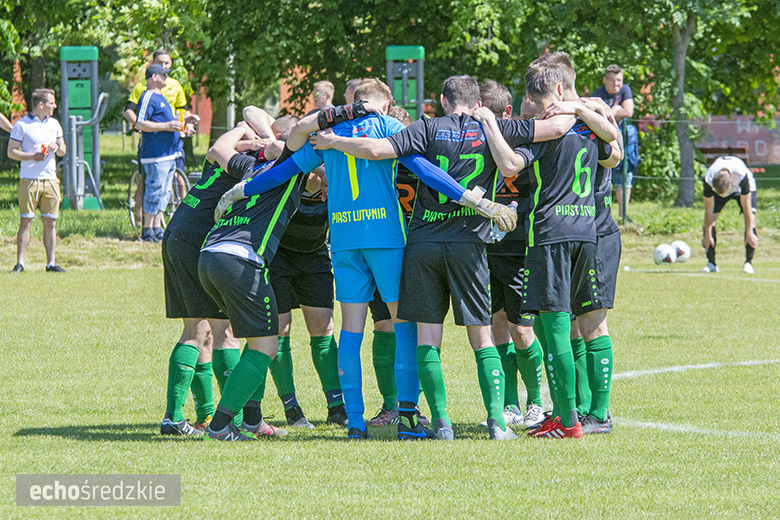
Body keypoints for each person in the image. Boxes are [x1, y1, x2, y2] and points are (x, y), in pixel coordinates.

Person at [312, 75, 572, 441]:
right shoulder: (500, 126)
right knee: (482, 337)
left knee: (427, 338)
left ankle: (441, 423)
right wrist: (576, 107)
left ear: (442, 99)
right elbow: (558, 126)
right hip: (469, 243)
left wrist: (334, 140)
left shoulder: (426, 127)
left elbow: (374, 150)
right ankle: (497, 423)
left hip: (423, 244)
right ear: (477, 102)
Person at [478, 53, 621, 439]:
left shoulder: (543, 130)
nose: (541, 113)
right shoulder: (591, 130)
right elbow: (615, 148)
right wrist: (585, 109)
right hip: (587, 233)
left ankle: (568, 418)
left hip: (549, 235)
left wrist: (491, 125)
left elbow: (509, 165)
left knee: (554, 325)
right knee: (582, 324)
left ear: (555, 92)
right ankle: (591, 414)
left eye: (536, 104)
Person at [159, 119, 269, 436]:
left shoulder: (222, 156)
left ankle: (188, 416)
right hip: (199, 240)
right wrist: (254, 137)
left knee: (198, 330)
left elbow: (222, 141)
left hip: (177, 233)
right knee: (223, 333)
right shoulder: (251, 166)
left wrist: (243, 133)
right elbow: (243, 120)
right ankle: (229, 419)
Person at [242, 106, 347, 429]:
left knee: (324, 327)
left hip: (315, 256)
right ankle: (292, 409)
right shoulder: (285, 163)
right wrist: (272, 138)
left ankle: (337, 406)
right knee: (280, 331)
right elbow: (249, 110)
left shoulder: (331, 167)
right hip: (280, 258)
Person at [478, 81, 545, 430]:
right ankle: (509, 404)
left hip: (520, 251)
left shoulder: (525, 143)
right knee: (495, 325)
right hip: (484, 251)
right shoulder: (473, 144)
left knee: (522, 330)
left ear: (505, 115)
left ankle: (536, 400)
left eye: (485, 112)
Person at [7, 88, 67, 273]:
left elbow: (63, 149)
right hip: (29, 180)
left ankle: (51, 263)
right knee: (26, 221)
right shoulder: (21, 125)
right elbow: (11, 152)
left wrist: (56, 147)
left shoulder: (55, 124)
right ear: (41, 105)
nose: (54, 106)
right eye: (51, 103)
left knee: (50, 222)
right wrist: (32, 156)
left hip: (50, 179)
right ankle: (20, 263)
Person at [133, 63, 183, 242]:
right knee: (154, 190)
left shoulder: (161, 97)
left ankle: (156, 228)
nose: (166, 78)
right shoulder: (148, 96)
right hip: (155, 154)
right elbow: (139, 124)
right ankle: (147, 230)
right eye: (163, 75)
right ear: (154, 77)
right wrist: (167, 126)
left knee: (164, 193)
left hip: (168, 154)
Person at [701, 156, 758, 274]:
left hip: (742, 189)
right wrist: (707, 234)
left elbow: (746, 207)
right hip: (721, 187)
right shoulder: (708, 178)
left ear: (731, 182)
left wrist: (749, 232)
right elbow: (708, 210)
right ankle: (711, 263)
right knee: (711, 222)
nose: (722, 197)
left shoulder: (741, 175)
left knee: (751, 221)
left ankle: (748, 263)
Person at [593, 64, 635, 220]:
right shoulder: (598, 94)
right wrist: (616, 110)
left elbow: (629, 111)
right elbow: (595, 116)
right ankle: (603, 213)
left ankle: (624, 215)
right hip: (603, 141)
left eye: (619, 80)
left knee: (625, 177)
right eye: (613, 80)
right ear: (605, 80)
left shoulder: (625, 90)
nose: (616, 84)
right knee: (603, 178)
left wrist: (611, 112)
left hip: (624, 140)